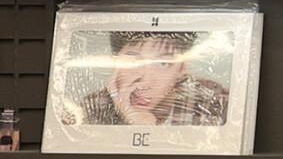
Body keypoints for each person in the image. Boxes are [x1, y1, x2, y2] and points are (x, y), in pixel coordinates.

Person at [68, 29, 231, 128]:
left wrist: (148, 129)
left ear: (182, 69)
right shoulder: (92, 109)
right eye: (132, 60)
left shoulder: (214, 103)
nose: (145, 82)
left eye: (163, 63)